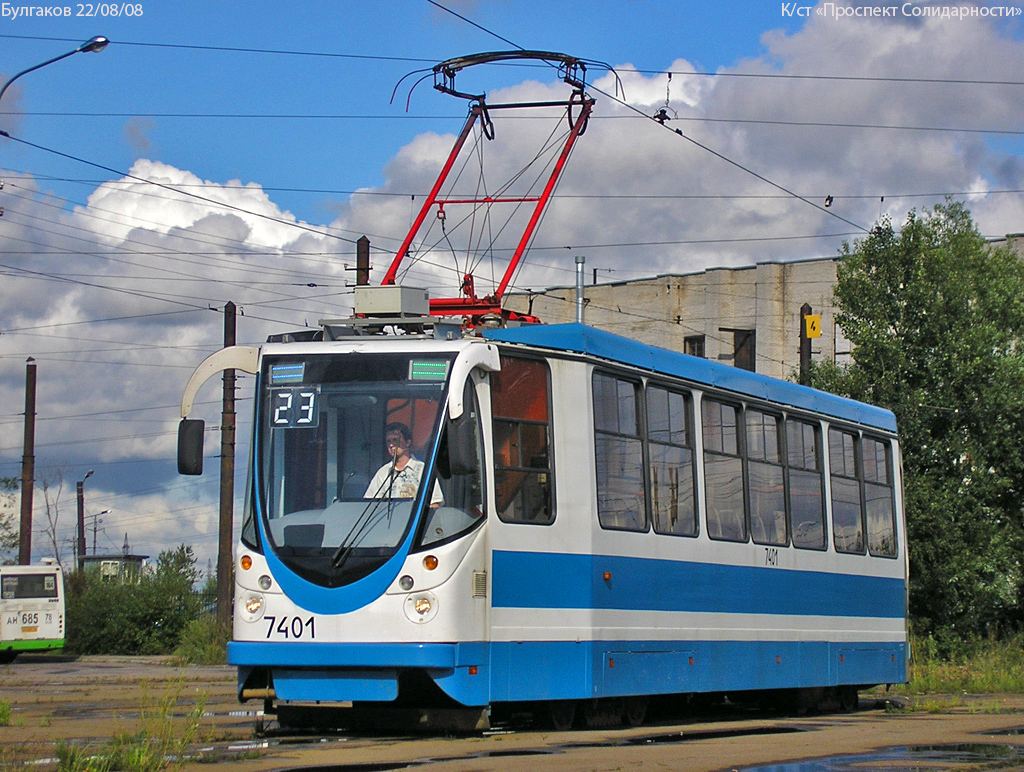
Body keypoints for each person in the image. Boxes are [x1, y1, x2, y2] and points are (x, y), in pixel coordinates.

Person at [364, 422, 443, 506]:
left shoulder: (423, 469)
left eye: (395, 440)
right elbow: (369, 503)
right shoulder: (383, 472)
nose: (391, 445)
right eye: (388, 441)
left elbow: (435, 502)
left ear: (407, 443)